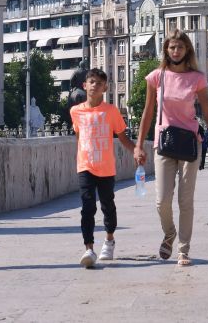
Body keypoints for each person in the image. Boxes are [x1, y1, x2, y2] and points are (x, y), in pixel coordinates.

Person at [134, 30, 208, 266]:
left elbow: (207, 113)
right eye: (172, 47)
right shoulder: (156, 77)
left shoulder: (196, 78)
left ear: (187, 50)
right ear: (166, 50)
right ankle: (169, 233)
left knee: (185, 201)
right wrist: (138, 145)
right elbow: (148, 112)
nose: (175, 51)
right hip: (164, 143)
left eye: (180, 47)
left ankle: (183, 249)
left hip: (190, 143)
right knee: (162, 200)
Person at [70, 68, 136, 268]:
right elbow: (79, 136)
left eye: (99, 83)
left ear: (105, 88)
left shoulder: (111, 111)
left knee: (108, 205)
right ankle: (89, 248)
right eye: (92, 82)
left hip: (106, 167)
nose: (95, 86)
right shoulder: (76, 111)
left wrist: (136, 150)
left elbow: (122, 136)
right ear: (85, 85)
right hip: (85, 166)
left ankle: (109, 240)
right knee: (87, 207)